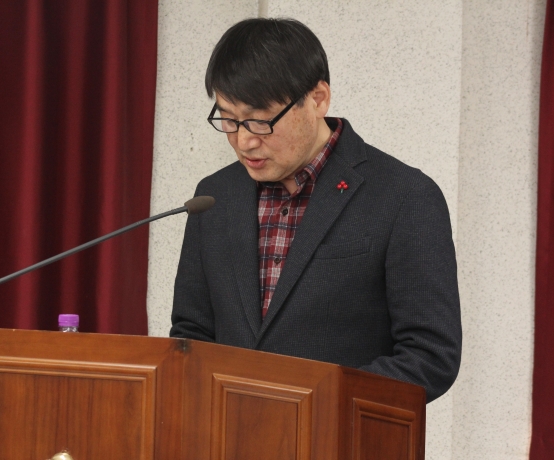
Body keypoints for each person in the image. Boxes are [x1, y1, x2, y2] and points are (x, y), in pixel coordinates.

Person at [170, 18, 461, 403]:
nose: (244, 141)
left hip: (341, 430)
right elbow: (191, 334)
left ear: (318, 99)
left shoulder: (404, 196)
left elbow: (430, 356)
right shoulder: (214, 196)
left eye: (260, 120)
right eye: (228, 119)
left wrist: (316, 402)